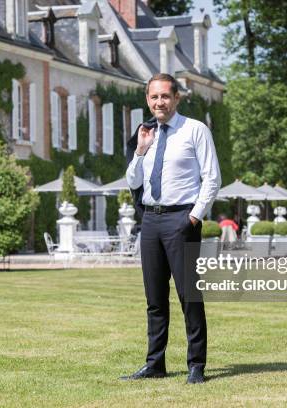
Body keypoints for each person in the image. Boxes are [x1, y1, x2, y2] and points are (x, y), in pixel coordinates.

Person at [123, 73, 221, 384]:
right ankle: (155, 364)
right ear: (147, 100)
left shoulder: (195, 130)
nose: (159, 102)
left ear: (176, 98)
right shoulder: (145, 134)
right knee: (155, 299)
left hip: (181, 220)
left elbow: (212, 178)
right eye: (154, 97)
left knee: (188, 295)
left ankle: (196, 365)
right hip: (150, 221)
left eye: (165, 96)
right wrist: (140, 151)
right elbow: (133, 182)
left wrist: (193, 217)